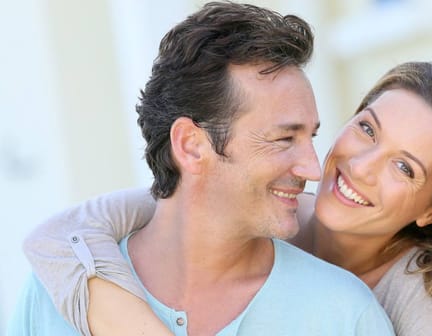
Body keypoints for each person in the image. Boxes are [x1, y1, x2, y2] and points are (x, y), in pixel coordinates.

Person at [23, 62, 432, 335]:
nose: (359, 167)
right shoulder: (278, 208)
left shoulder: (401, 309)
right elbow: (59, 235)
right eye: (366, 129)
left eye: (405, 167)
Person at [7, 2, 395, 336]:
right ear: (192, 146)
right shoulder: (52, 297)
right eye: (283, 139)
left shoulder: (345, 315)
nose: (312, 167)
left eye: (310, 136)